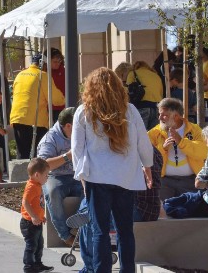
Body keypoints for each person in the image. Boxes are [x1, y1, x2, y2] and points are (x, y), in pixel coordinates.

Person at [71, 67, 153, 273]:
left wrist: (81, 175)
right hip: (125, 176)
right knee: (125, 231)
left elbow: (77, 149)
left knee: (100, 231)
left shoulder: (84, 112)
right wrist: (148, 166)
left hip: (97, 177)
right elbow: (144, 143)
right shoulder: (130, 110)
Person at [36, 107, 82, 246]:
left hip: (76, 176)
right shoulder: (50, 138)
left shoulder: (81, 134)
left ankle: (78, 227)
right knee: (53, 192)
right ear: (68, 126)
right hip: (55, 176)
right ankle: (65, 235)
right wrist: (67, 156)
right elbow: (43, 165)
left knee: (94, 189)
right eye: (78, 126)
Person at [148, 97, 208, 200]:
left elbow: (204, 152)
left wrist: (181, 142)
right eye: (159, 114)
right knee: (163, 213)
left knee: (190, 213)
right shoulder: (154, 132)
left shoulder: (195, 130)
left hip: (190, 181)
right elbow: (147, 156)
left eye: (164, 115)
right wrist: (163, 149)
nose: (160, 118)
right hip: (164, 182)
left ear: (176, 116)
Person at [10, 54, 64, 159]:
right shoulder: (42, 75)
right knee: (38, 153)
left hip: (17, 117)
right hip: (35, 120)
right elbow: (56, 99)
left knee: (22, 154)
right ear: (43, 64)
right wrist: (66, 99)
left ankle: (21, 174)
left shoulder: (20, 75)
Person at [20, 157, 53, 273]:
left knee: (39, 244)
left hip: (36, 222)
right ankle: (29, 267)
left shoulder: (37, 185)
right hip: (29, 223)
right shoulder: (31, 186)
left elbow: (37, 204)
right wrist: (33, 216)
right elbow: (25, 202)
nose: (47, 177)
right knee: (31, 246)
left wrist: (40, 216)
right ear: (37, 175)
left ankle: (37, 264)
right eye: (46, 175)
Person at [126, 61, 164, 130]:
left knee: (141, 133)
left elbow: (128, 90)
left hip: (141, 106)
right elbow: (160, 93)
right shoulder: (156, 75)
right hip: (156, 108)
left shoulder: (133, 73)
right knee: (154, 135)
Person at [42, 48, 66, 122]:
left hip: (62, 107)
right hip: (47, 108)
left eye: (59, 61)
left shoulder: (64, 71)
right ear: (47, 61)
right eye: (55, 62)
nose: (57, 63)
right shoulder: (43, 72)